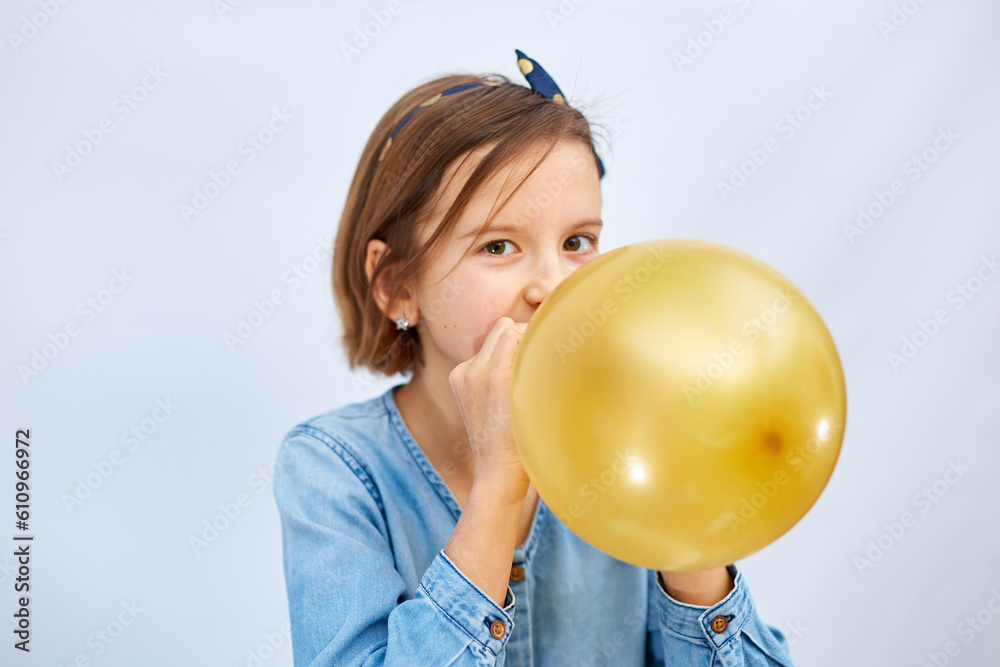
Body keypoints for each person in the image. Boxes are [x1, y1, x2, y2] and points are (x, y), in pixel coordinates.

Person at [273, 49, 797, 667]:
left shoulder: (627, 452)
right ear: (396, 286)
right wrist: (499, 484)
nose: (552, 285)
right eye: (498, 245)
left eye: (578, 242)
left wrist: (687, 520)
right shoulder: (335, 470)